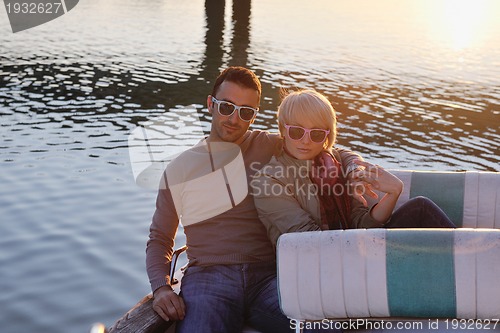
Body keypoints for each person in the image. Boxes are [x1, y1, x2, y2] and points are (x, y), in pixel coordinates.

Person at [146, 68, 361, 332]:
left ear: (254, 115)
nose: (234, 119)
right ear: (210, 104)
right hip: (209, 279)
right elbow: (160, 238)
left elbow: (331, 149)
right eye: (227, 107)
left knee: (333, 328)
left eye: (246, 112)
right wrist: (161, 288)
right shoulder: (180, 168)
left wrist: (356, 168)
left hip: (270, 277)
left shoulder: (270, 145)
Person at [252, 89, 456, 247]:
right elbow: (309, 239)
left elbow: (363, 225)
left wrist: (393, 192)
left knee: (420, 208)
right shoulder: (269, 180)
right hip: (315, 265)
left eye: (316, 134)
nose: (305, 141)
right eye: (296, 131)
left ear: (327, 136)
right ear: (283, 130)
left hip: (354, 250)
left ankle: (471, 273)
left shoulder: (333, 164)